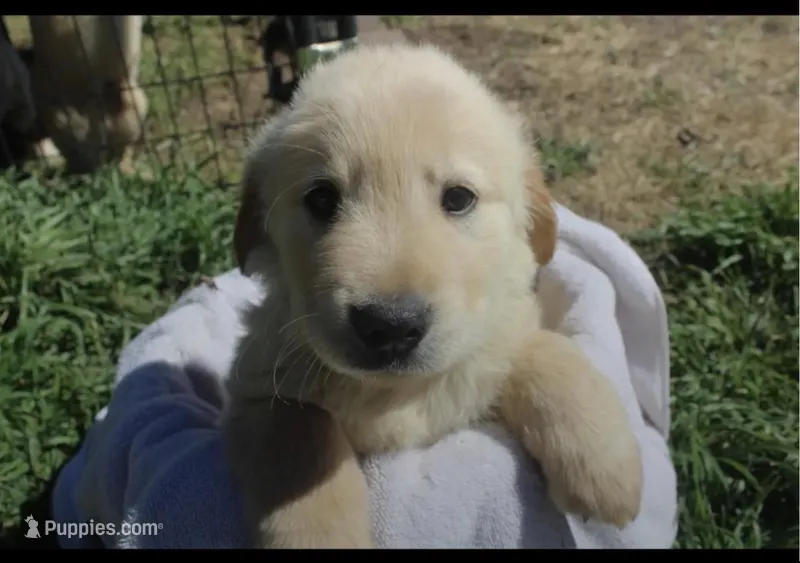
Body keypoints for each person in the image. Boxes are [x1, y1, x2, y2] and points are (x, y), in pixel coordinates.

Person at [51, 204, 678, 549]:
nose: (389, 289)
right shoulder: (284, 350)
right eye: (325, 199)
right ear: (260, 219)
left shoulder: (506, 321)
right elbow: (252, 403)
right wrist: (297, 454)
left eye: (455, 198)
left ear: (529, 215)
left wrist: (552, 376)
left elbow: (522, 349)